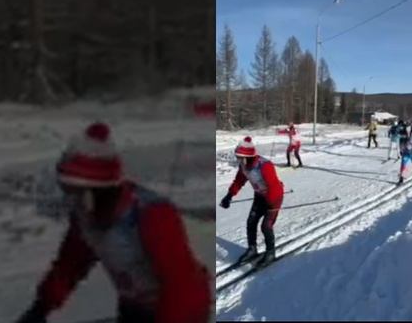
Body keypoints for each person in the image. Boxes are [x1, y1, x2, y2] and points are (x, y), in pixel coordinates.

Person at [16, 122, 211, 323]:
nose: (72, 200)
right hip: (134, 306)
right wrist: (41, 308)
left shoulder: (152, 215)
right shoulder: (86, 219)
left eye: (75, 192)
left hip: (184, 310)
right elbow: (70, 265)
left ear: (97, 190)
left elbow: (180, 285)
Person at [220, 136, 284, 268]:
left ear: (247, 156)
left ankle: (271, 253)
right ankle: (252, 249)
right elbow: (239, 181)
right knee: (251, 221)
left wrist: (270, 204)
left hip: (274, 197)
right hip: (260, 196)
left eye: (239, 156)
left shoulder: (264, 166)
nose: (237, 159)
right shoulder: (244, 166)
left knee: (266, 226)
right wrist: (229, 195)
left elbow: (273, 186)